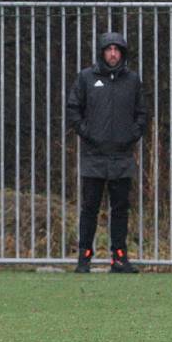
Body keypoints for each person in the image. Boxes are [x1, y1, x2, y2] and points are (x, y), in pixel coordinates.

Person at [67, 32, 147, 274]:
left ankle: (119, 258)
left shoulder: (133, 80)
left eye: (117, 49)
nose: (113, 54)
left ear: (122, 53)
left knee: (121, 209)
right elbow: (73, 109)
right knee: (89, 208)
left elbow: (142, 113)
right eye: (109, 49)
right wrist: (87, 133)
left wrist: (132, 134)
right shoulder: (86, 78)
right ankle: (84, 258)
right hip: (94, 156)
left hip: (122, 157)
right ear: (102, 52)